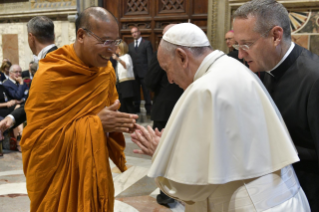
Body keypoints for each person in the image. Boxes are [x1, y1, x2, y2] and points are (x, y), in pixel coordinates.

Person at [131, 23, 310, 211]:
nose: (170, 79)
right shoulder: (234, 68)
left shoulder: (204, 89)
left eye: (167, 69)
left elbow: (189, 187)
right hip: (283, 196)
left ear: (182, 57)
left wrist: (159, 153)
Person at [18, 7, 138, 212]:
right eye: (105, 41)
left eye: (115, 42)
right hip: (57, 179)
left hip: (93, 168)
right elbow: (37, 140)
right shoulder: (50, 74)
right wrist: (95, 124)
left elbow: (108, 116)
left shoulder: (106, 72)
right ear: (81, 35)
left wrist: (113, 124)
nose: (112, 49)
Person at [232, 1, 319, 211]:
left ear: (275, 36)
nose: (240, 55)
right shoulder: (264, 70)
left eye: (246, 44)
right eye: (237, 45)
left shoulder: (314, 78)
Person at [144, 24, 183, 206]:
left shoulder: (162, 54)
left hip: (165, 109)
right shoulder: (189, 53)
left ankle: (166, 194)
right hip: (184, 107)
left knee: (163, 153)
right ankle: (181, 192)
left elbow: (150, 81)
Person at [0, 16, 58, 131]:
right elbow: (33, 101)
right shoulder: (62, 57)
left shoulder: (50, 62)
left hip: (52, 132)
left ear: (31, 37)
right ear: (54, 36)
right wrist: (12, 118)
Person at [128, 27, 153, 117]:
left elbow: (150, 59)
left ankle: (149, 110)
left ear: (139, 32)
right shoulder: (130, 46)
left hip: (145, 73)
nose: (134, 34)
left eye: (135, 32)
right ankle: (137, 109)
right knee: (136, 93)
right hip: (134, 74)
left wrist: (150, 73)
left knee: (146, 93)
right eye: (132, 33)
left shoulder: (146, 43)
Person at [112, 41, 135, 114]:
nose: (116, 49)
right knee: (122, 103)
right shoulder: (120, 58)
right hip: (120, 83)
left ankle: (132, 119)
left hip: (127, 82)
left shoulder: (126, 56)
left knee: (128, 102)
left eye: (117, 48)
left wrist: (118, 59)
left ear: (121, 48)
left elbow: (126, 66)